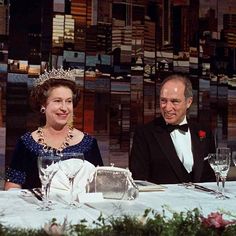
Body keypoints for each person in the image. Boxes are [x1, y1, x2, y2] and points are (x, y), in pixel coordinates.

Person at [4, 68, 103, 190]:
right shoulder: (26, 143)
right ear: (43, 105)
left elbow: (100, 186)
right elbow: (13, 185)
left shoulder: (89, 143)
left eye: (69, 101)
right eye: (57, 101)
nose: (64, 108)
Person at [129, 74, 215, 184]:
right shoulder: (144, 134)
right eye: (163, 101)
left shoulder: (204, 132)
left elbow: (211, 177)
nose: (167, 108)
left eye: (174, 101)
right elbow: (138, 180)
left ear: (188, 102)